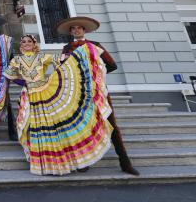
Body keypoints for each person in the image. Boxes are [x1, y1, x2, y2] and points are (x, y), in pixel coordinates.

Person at [5, 34, 113, 175]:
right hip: (30, 95)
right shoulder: (16, 60)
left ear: (34, 44)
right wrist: (24, 82)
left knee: (60, 125)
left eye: (29, 41)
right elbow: (9, 75)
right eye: (24, 41)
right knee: (38, 128)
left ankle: (78, 160)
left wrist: (79, 52)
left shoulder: (41, 57)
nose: (26, 43)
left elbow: (61, 59)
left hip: (47, 92)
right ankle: (49, 163)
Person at [57, 16, 140, 176]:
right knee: (81, 126)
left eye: (79, 28)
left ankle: (125, 162)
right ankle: (84, 161)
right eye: (73, 29)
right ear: (70, 32)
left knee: (111, 124)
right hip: (79, 93)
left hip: (99, 91)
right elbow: (62, 69)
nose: (76, 30)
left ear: (84, 30)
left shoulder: (95, 45)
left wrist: (96, 75)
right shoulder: (67, 48)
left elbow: (111, 64)